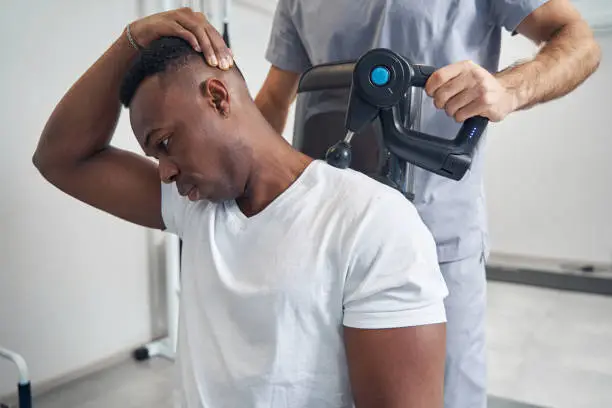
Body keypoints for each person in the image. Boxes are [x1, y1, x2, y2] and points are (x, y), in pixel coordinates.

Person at [32, 8, 451, 408]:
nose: (164, 172)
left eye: (164, 144)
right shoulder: (195, 207)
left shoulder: (373, 222)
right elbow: (61, 158)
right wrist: (131, 39)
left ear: (217, 98)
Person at [252, 0, 602, 407]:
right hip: (330, 240)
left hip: (438, 241)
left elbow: (579, 41)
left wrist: (508, 89)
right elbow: (275, 99)